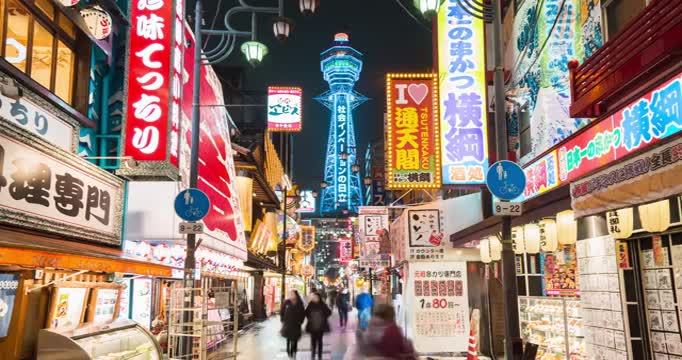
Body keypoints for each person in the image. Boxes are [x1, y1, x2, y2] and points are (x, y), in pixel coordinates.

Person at [305, 292, 332, 360]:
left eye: (316, 297)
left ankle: (320, 355)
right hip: (312, 326)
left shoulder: (323, 305)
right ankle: (313, 354)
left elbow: (329, 312)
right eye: (314, 297)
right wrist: (310, 318)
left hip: (320, 326)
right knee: (313, 341)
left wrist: (323, 317)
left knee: (320, 341)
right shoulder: (310, 305)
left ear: (319, 298)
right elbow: (306, 313)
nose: (315, 298)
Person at [280, 290, 305, 359]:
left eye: (292, 294)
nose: (291, 295)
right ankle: (288, 349)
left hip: (296, 324)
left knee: (295, 339)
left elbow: (303, 313)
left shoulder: (299, 303)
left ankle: (294, 351)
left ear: (296, 295)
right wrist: (282, 320)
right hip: (287, 324)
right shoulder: (286, 302)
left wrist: (300, 321)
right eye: (290, 294)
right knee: (288, 338)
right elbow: (282, 312)